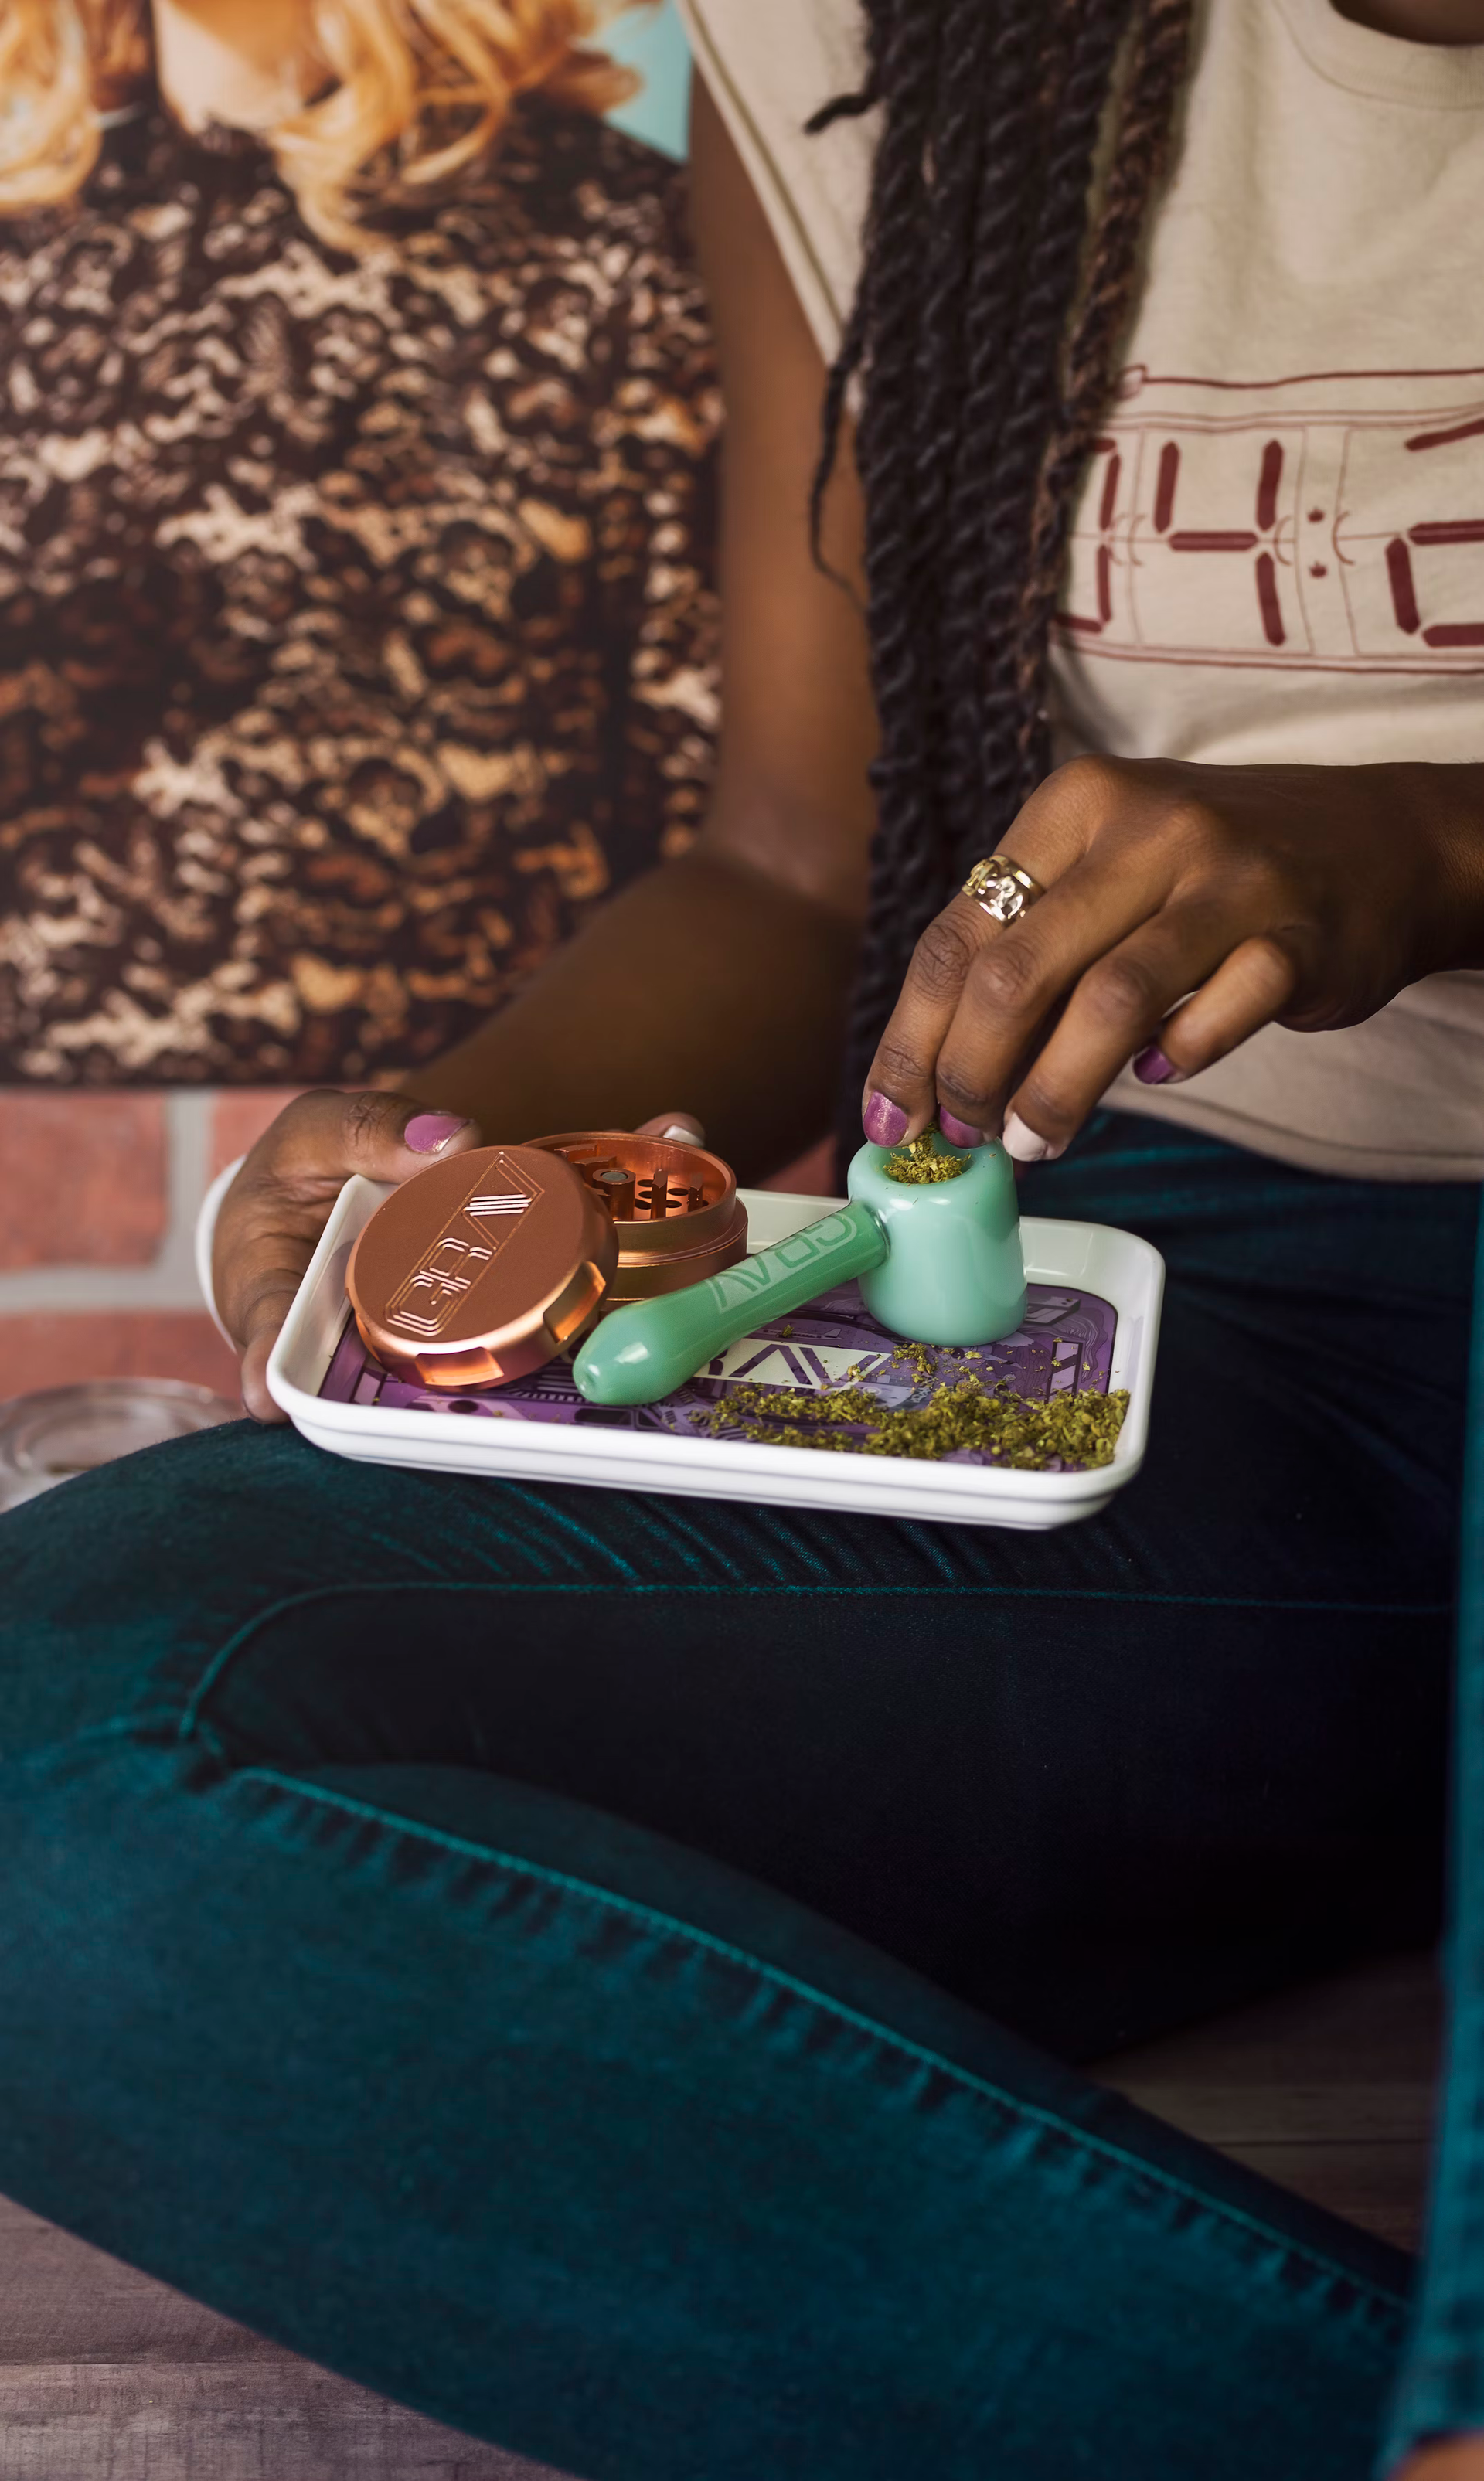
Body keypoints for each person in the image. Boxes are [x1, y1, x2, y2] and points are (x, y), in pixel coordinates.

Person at [2, 1, 1482, 2474]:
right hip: (1188, 1347)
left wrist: (1429, 849)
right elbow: (798, 871)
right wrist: (472, 1152)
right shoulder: (896, 38)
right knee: (58, 1766)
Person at [0, 0, 718, 1087]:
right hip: (43, 1187)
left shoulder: (609, 239)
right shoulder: (23, 249)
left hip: (460, 1177)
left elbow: (718, 843)